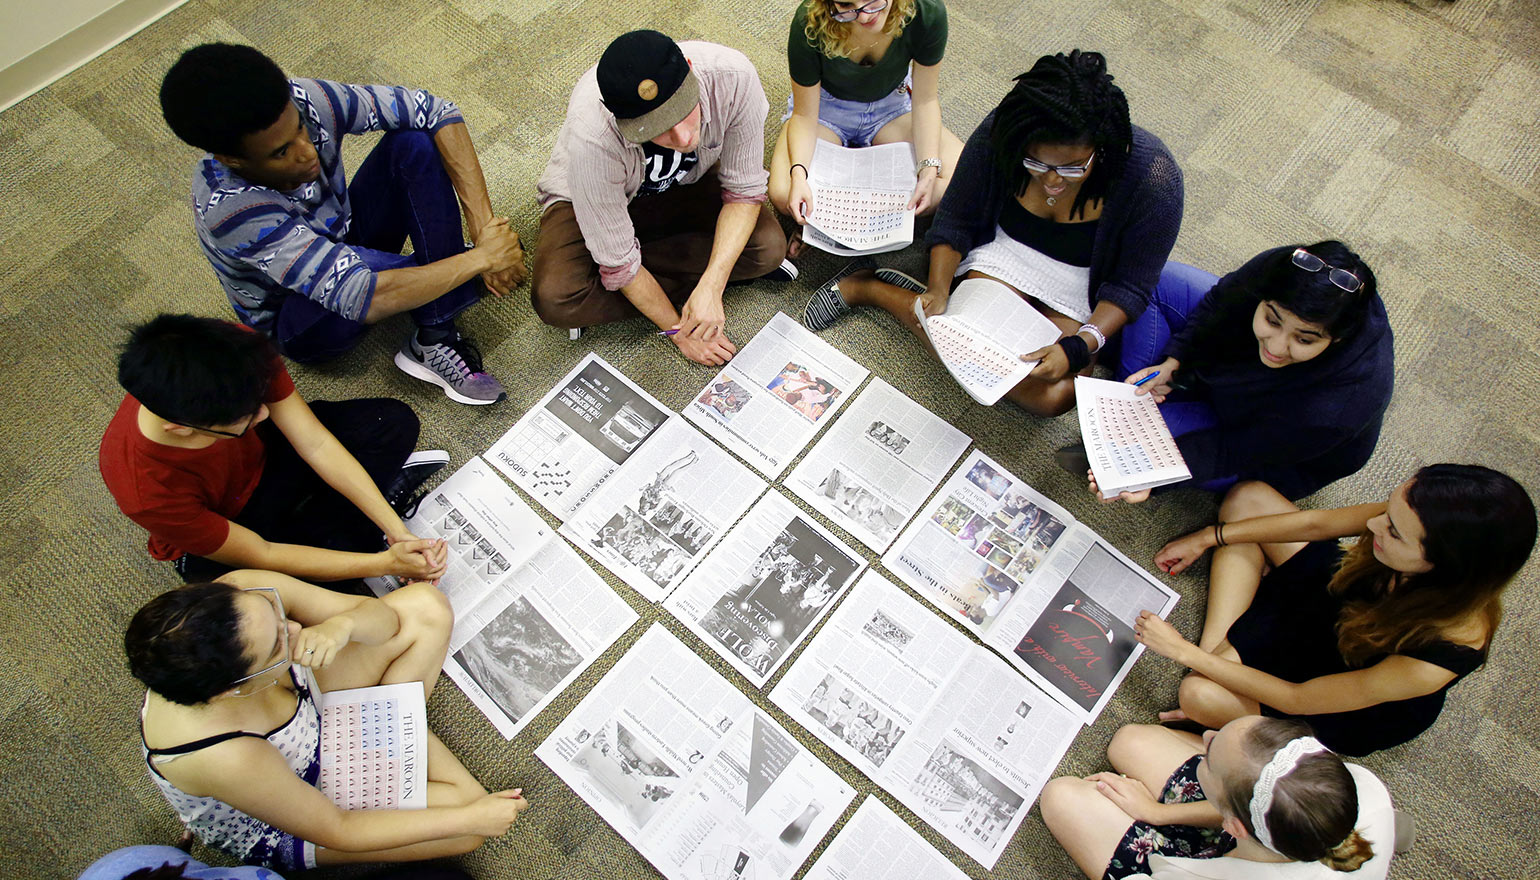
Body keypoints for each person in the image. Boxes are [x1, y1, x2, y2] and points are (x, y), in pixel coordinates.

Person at [801, 49, 1183, 416]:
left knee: (1055, 396)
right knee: (963, 345)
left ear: (1100, 151)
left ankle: (905, 297)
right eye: (1036, 163)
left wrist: (1081, 347)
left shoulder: (1153, 180)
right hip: (1005, 254)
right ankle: (869, 287)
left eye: (1071, 168)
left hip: (1082, 284)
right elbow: (957, 218)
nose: (1052, 181)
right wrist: (937, 287)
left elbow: (1130, 288)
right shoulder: (1004, 133)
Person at [160, 43, 522, 404]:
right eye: (282, 152)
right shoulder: (231, 210)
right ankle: (439, 327)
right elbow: (361, 293)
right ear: (232, 160)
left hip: (343, 234)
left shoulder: (303, 97)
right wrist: (482, 259)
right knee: (411, 276)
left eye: (300, 127)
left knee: (414, 143)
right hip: (298, 315)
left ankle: (434, 328)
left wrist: (484, 228)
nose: (308, 150)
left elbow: (437, 111)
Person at [127, 572, 528, 869]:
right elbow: (336, 828)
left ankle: (386, 727)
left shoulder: (240, 599)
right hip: (294, 801)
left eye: (274, 610)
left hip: (306, 705)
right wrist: (470, 817)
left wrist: (344, 624)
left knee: (426, 608)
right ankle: (390, 724)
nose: (296, 628)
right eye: (276, 645)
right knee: (468, 825)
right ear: (233, 688)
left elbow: (384, 621)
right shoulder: (222, 755)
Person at [1134, 465, 1536, 755]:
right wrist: (1210, 537)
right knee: (1247, 498)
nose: (1373, 524)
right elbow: (1317, 525)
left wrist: (1184, 652)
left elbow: (1296, 698)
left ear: (1443, 563)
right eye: (1387, 513)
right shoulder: (1412, 516)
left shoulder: (1441, 652)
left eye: (1393, 531)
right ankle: (1220, 657)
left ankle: (1213, 664)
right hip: (1341, 595)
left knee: (1197, 694)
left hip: (1340, 682)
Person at [99, 315, 450, 586]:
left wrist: (396, 532)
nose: (266, 411)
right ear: (180, 428)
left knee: (391, 422)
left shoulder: (234, 350)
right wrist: (385, 564)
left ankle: (354, 534)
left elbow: (314, 441)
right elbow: (262, 553)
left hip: (265, 457)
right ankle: (351, 538)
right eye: (246, 416)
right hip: (231, 522)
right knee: (277, 597)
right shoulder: (144, 489)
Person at [532, 30, 790, 365]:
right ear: (623, 123)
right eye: (658, 127)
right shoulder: (593, 137)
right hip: (595, 195)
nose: (683, 137)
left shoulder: (734, 78)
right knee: (555, 297)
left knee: (768, 248)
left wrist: (712, 286)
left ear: (692, 71)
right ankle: (649, 268)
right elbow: (620, 264)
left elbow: (743, 191)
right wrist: (677, 331)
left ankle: (634, 276)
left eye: (685, 111)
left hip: (686, 183)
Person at [1080, 243, 1393, 502]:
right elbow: (1221, 300)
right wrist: (1175, 362)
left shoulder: (1337, 409)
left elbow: (1232, 451)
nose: (1278, 346)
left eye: (1304, 339)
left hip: (1265, 442)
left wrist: (1153, 479)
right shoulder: (1284, 266)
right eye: (1272, 320)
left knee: (1125, 451)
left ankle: (1143, 413)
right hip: (1236, 371)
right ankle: (1144, 402)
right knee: (1155, 285)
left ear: (1336, 338)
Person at [1041, 716, 1393, 879]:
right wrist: (1157, 813)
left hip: (1205, 867)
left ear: (1234, 824)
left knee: (1060, 797)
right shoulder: (1361, 785)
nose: (1205, 735)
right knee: (1128, 741)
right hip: (1252, 842)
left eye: (1210, 758)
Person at [770, 0, 963, 250]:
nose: (863, 16)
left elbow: (925, 101)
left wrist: (928, 170)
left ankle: (827, 221)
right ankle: (853, 219)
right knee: (783, 192)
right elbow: (804, 115)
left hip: (892, 106)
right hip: (826, 109)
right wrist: (799, 175)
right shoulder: (810, 20)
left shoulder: (926, 11)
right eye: (846, 5)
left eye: (873, 1)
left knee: (963, 178)